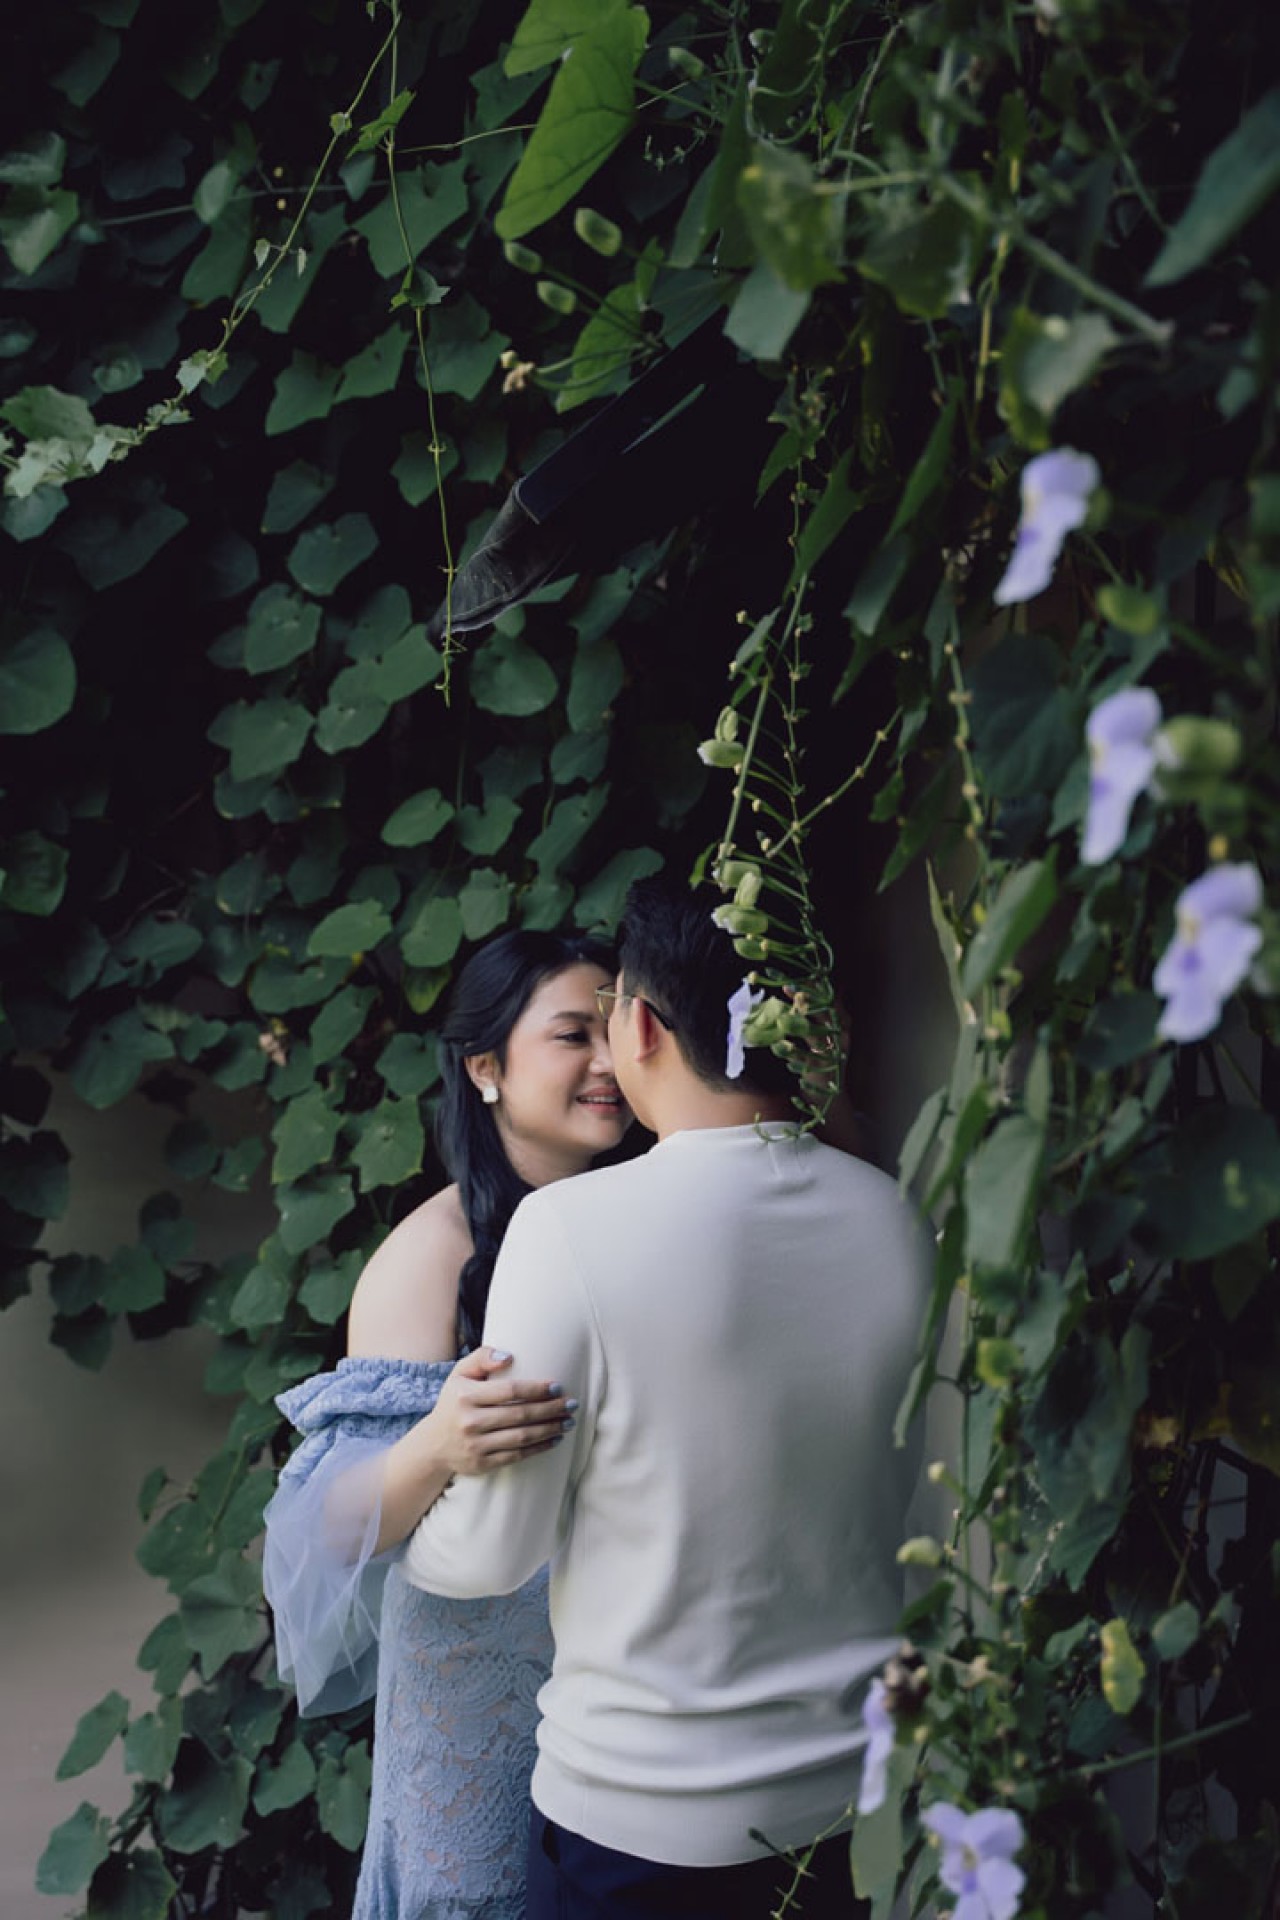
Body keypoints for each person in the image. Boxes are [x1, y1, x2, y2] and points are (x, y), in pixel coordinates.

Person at [399, 878, 930, 1920]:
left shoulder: (571, 1229)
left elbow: (491, 1552)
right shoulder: (893, 1215)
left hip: (641, 1820)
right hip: (856, 1801)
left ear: (638, 1025)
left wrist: (405, 1525)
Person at [261, 930, 633, 1920]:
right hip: (476, 1702)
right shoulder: (429, 1256)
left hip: (623, 1686)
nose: (607, 1061)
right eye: (572, 1036)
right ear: (484, 1068)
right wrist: (435, 1445)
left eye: (618, 1031)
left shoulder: (641, 1220)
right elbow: (324, 1528)